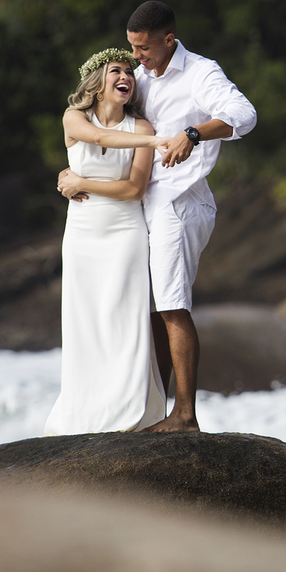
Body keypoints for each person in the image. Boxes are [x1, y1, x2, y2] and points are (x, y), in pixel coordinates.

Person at [126, 0, 257, 432]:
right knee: (148, 311)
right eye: (132, 48)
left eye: (143, 48)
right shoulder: (139, 77)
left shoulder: (202, 72)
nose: (137, 57)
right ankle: (157, 409)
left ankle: (185, 416)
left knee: (172, 307)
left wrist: (194, 133)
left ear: (169, 39)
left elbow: (245, 115)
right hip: (142, 203)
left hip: (182, 203)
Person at [44, 48, 171, 435]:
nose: (126, 77)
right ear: (97, 84)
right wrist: (160, 143)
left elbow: (134, 189)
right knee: (85, 319)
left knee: (124, 316)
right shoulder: (74, 117)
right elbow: (97, 136)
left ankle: (130, 411)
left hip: (125, 232)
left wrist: (81, 183)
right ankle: (84, 411)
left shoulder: (143, 129)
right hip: (82, 233)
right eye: (117, 70)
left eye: (130, 72)